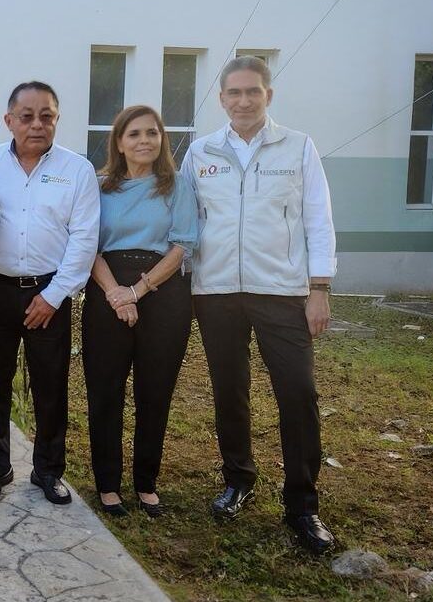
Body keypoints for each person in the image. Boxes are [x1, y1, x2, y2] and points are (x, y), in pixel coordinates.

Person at [181, 56, 337, 554]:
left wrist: (319, 288)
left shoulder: (298, 147)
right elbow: (186, 222)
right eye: (234, 93)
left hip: (282, 292)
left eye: (253, 91)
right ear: (221, 98)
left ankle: (302, 505)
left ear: (269, 95)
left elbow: (318, 220)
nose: (244, 101)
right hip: (216, 292)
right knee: (229, 391)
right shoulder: (201, 152)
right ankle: (238, 479)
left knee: (298, 393)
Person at [0, 81, 98, 505]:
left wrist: (54, 295)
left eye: (47, 116)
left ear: (57, 120)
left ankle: (48, 470)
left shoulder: (77, 170)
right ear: (9, 120)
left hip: (50, 292)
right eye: (27, 117)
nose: (37, 125)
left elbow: (84, 238)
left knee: (50, 385)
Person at [82, 105, 197, 518]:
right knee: (105, 390)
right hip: (107, 286)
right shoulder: (98, 187)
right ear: (119, 142)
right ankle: (108, 485)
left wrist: (137, 291)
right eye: (134, 134)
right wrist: (116, 293)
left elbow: (182, 245)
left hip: (163, 291)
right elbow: (87, 244)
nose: (144, 141)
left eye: (152, 133)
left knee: (155, 391)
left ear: (162, 139)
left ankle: (146, 482)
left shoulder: (177, 186)